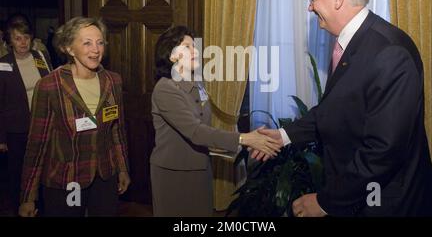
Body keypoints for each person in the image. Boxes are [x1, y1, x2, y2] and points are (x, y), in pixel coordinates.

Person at [254, 0, 432, 217]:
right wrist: (284, 135)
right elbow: (336, 109)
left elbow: (382, 152)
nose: (309, 7)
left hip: (388, 204)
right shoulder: (351, 41)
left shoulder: (390, 52)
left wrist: (325, 202)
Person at [150, 25, 282, 216]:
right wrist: (245, 139)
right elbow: (196, 132)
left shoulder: (197, 83)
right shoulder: (165, 89)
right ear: (171, 56)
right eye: (187, 47)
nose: (195, 51)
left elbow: (205, 128)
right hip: (174, 173)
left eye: (194, 46)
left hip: (201, 168)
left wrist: (244, 145)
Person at [18, 17, 130, 217]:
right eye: (87, 43)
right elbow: (37, 144)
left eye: (100, 42)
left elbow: (117, 131)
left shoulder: (113, 81)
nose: (96, 49)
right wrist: (28, 196)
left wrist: (123, 169)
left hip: (104, 177)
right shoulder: (50, 86)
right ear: (69, 48)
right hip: (68, 180)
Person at [0, 15, 52, 215]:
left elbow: (50, 85)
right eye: (17, 38)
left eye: (26, 37)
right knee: (18, 172)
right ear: (9, 41)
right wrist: (1, 137)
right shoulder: (3, 65)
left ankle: (41, 207)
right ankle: (19, 208)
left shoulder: (40, 58)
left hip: (43, 124)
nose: (23, 42)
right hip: (16, 128)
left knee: (43, 169)